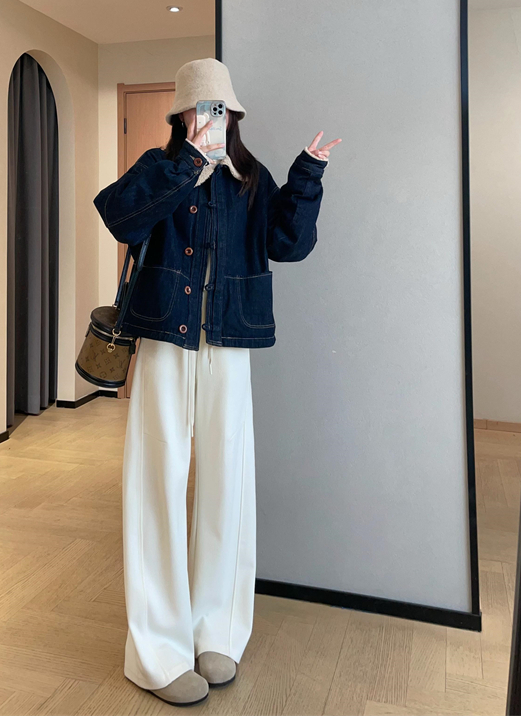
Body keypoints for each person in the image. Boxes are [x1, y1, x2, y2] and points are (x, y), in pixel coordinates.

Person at [94, 58, 341, 706]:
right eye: (201, 108)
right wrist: (186, 165)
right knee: (156, 484)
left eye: (222, 109)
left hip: (229, 344)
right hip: (164, 342)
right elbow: (120, 219)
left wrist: (307, 175)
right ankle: (156, 652)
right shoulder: (160, 166)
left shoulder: (250, 180)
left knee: (228, 484)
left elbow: (289, 244)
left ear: (234, 116)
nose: (213, 118)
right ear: (181, 116)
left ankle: (219, 632)